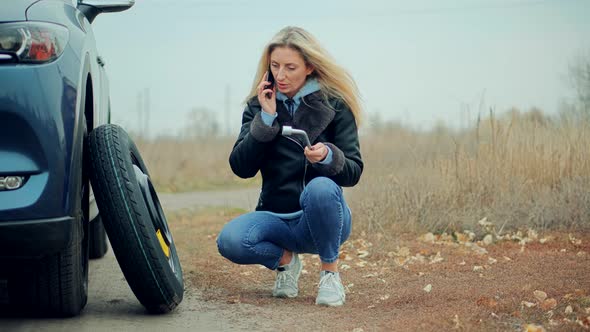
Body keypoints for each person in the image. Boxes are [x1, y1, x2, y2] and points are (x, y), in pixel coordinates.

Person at [216, 26, 363, 307]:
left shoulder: (336, 105)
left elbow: (354, 171)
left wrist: (328, 155)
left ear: (309, 67)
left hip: (323, 219)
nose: (280, 76)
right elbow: (241, 167)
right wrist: (267, 119)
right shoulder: (258, 106)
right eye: (275, 66)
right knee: (230, 240)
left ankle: (330, 274)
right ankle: (286, 263)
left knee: (320, 188)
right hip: (276, 217)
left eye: (290, 67)